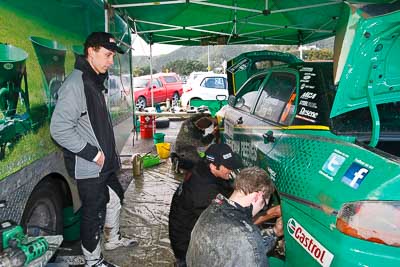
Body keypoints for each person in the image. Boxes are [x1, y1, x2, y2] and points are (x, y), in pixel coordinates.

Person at [50, 32, 136, 267]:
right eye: (107, 55)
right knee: (93, 214)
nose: (111, 61)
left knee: (116, 200)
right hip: (90, 166)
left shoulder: (94, 81)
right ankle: (93, 261)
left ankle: (113, 240)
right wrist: (92, 153)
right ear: (91, 52)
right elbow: (59, 129)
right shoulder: (76, 84)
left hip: (104, 165)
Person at [186, 167, 283, 267]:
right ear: (258, 196)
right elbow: (249, 248)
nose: (262, 209)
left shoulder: (211, 210)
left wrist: (274, 232)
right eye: (264, 205)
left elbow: (237, 249)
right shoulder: (246, 238)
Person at [169, 143, 241, 267]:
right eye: (228, 167)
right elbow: (226, 222)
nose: (231, 170)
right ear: (213, 165)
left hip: (184, 229)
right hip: (187, 245)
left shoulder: (203, 167)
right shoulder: (204, 189)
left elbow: (223, 188)